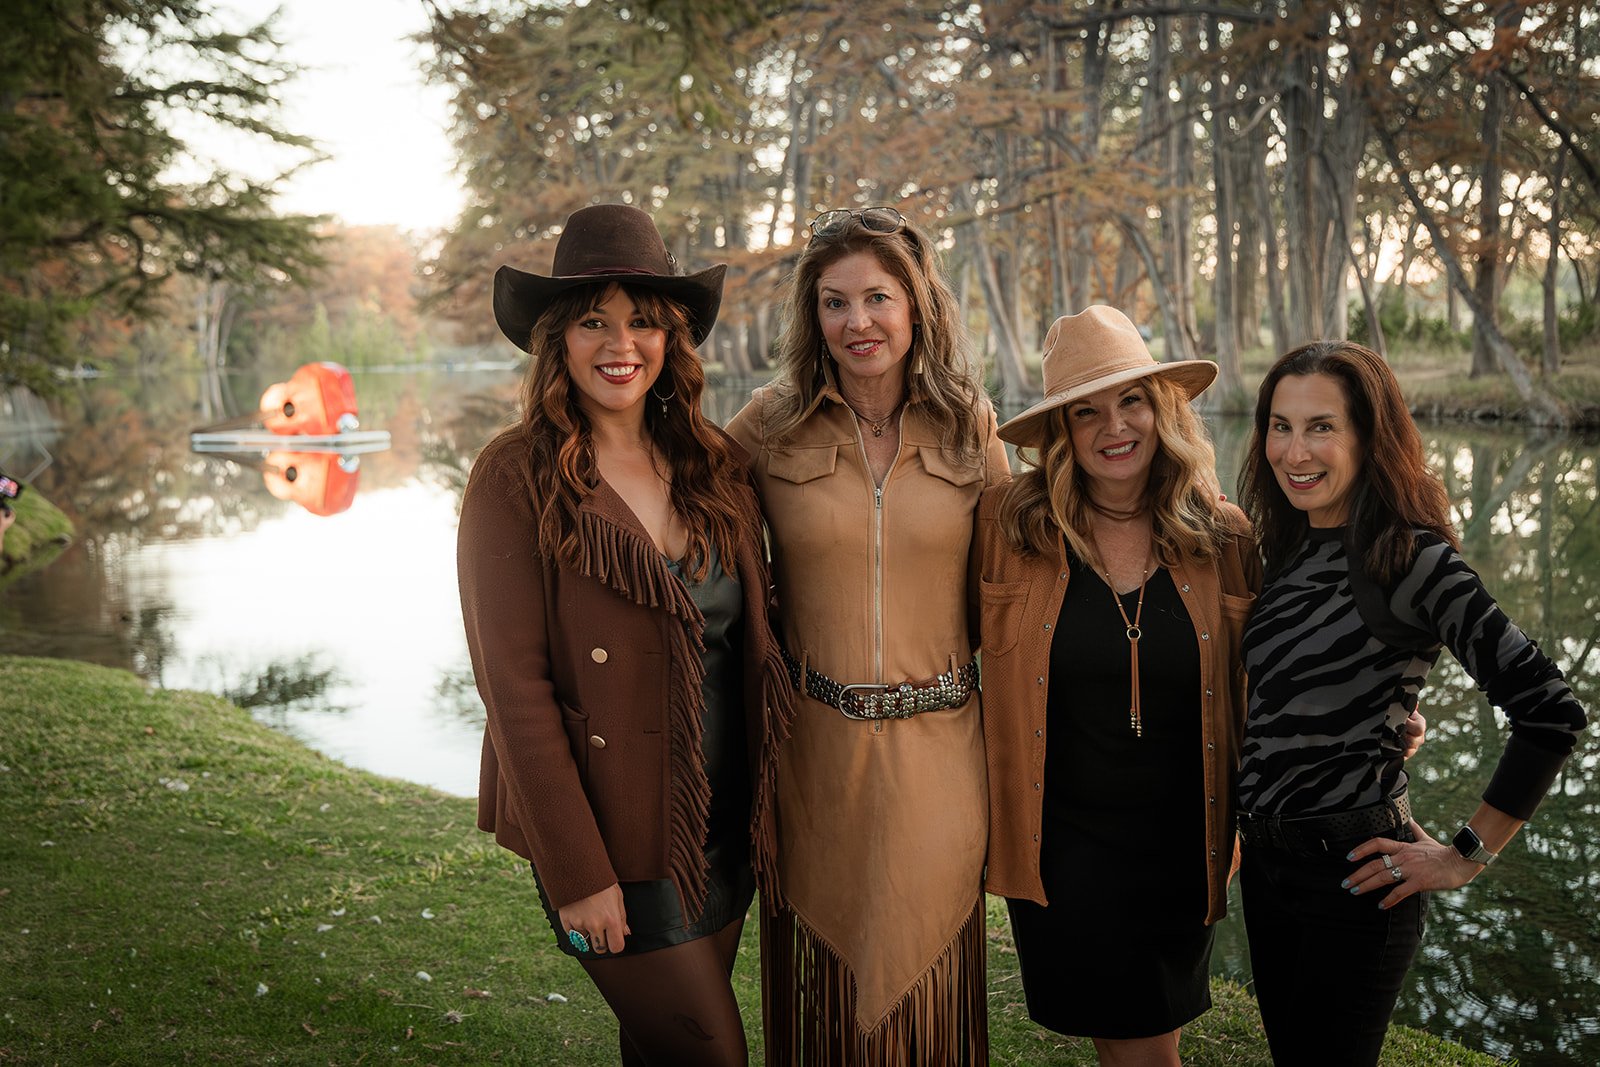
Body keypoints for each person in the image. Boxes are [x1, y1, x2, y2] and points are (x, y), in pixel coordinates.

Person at [456, 204, 793, 1067]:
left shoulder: (715, 464)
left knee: (657, 1053)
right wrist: (577, 874)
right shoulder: (515, 474)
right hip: (612, 842)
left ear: (670, 338)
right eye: (594, 321)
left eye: (643, 320)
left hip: (721, 825)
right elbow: (514, 693)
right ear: (558, 341)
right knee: (714, 1055)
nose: (621, 342)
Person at [1235, 340, 1588, 1066]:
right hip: (1270, 874)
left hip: (1356, 877)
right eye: (1280, 424)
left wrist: (1462, 855)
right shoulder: (1290, 547)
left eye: (1321, 426)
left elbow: (1550, 711)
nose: (1293, 449)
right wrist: (1390, 716)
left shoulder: (1410, 556)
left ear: (1370, 434)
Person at [726, 205, 1009, 1066]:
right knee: (829, 1001)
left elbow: (1032, 572)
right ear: (812, 316)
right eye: (835, 302)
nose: (858, 322)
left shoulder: (972, 426)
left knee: (926, 990)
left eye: (878, 298)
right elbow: (678, 514)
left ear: (917, 306)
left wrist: (1202, 520)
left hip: (943, 756)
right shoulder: (767, 426)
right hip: (813, 755)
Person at [975, 306, 1258, 1066]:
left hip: (1180, 840)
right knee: (1124, 1042)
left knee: (1143, 1046)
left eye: (1130, 400)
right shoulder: (1011, 526)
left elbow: (1278, 659)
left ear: (1161, 409)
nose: (1113, 427)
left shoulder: (1222, 535)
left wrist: (1390, 707)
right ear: (1061, 431)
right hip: (1061, 847)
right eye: (1086, 411)